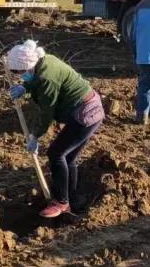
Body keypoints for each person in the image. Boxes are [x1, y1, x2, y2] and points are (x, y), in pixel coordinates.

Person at [6, 39, 105, 219]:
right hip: (91, 108)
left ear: (28, 66)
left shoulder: (47, 79)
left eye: (19, 72)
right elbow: (35, 80)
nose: (18, 76)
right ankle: (70, 199)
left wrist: (35, 136)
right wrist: (25, 87)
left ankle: (61, 202)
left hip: (85, 114)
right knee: (69, 157)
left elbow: (47, 112)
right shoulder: (45, 61)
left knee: (56, 154)